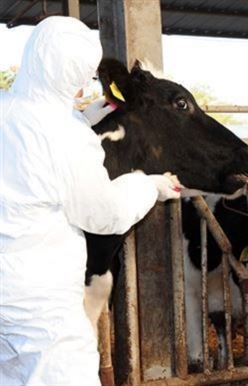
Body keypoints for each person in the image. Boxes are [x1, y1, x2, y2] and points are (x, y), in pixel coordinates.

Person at [0, 17, 180, 385]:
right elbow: (104, 215)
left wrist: (84, 117)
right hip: (40, 299)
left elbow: (30, 150)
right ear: (79, 74)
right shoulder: (65, 137)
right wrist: (147, 185)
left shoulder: (8, 108)